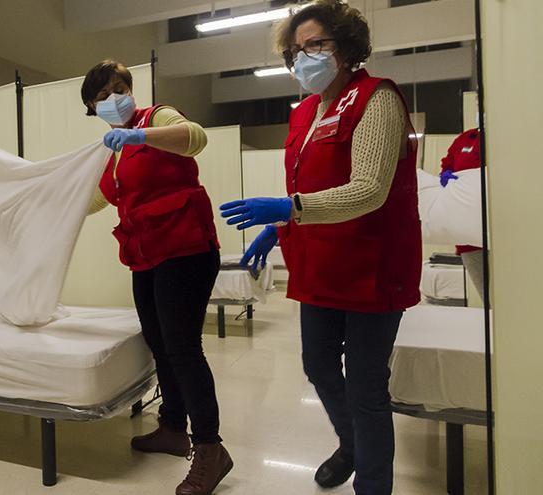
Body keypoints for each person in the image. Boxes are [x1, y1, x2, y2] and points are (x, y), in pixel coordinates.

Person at [219, 1, 421, 493]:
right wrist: (278, 230)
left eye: (315, 45)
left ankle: (371, 484)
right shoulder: (305, 112)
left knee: (367, 386)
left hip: (374, 264)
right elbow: (307, 182)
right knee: (317, 365)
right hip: (322, 263)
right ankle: (353, 445)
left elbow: (369, 189)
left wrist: (289, 210)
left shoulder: (376, 99)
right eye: (294, 51)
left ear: (346, 45)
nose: (302, 58)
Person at [81, 60, 231, 495]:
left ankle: (210, 449)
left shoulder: (156, 119)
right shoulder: (115, 152)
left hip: (185, 248)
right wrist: (48, 204)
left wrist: (140, 135)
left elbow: (195, 139)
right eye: (102, 96)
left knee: (183, 348)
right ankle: (171, 428)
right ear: (93, 107)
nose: (114, 99)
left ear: (131, 89)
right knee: (159, 342)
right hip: (146, 256)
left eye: (119, 88)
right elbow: (96, 198)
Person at [439, 126, 484, 295]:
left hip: (503, 231)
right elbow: (447, 164)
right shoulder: (465, 139)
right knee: (487, 296)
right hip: (468, 237)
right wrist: (446, 174)